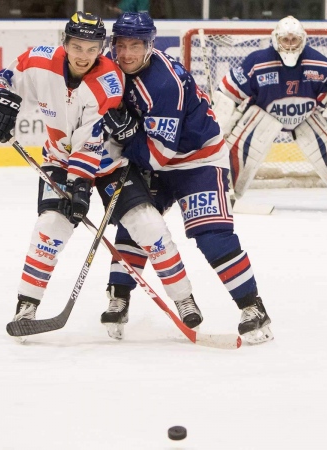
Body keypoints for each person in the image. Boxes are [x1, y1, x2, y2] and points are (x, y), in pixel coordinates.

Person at [0, 11, 201, 341]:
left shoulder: (108, 79)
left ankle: (184, 298)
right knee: (49, 229)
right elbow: (1, 80)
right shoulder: (38, 60)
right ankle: (26, 305)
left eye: (92, 48)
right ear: (65, 43)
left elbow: (90, 139)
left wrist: (79, 185)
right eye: (77, 46)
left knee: (148, 223)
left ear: (101, 49)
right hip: (59, 158)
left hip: (108, 162)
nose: (84, 55)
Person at [103, 12, 273, 345]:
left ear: (150, 46)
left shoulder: (163, 84)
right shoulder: (112, 68)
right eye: (120, 45)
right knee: (135, 222)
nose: (125, 54)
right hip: (154, 152)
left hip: (197, 161)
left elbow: (156, 155)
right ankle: (119, 297)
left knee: (212, 235)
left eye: (134, 46)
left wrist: (122, 137)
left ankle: (253, 308)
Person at [213, 15, 327, 211]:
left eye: (294, 39)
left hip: (305, 118)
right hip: (263, 117)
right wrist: (221, 119)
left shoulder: (319, 63)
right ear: (276, 39)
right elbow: (227, 94)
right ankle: (219, 191)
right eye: (285, 39)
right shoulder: (258, 62)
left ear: (303, 39)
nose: (290, 45)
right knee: (245, 144)